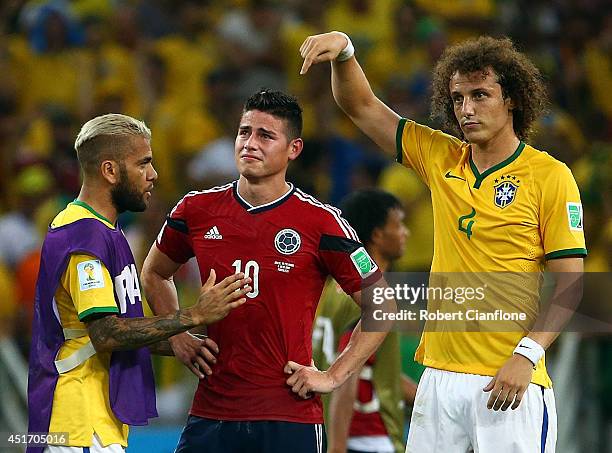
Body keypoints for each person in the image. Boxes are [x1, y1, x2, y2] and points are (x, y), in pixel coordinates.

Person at [299, 33, 586, 452]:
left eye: (481, 95)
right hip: (437, 379)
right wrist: (345, 51)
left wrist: (527, 356)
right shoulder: (441, 156)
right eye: (457, 98)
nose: (467, 109)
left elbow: (572, 283)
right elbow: (360, 106)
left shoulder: (550, 175)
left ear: (513, 100)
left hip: (508, 378)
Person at [141, 90, 391, 453]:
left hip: (289, 416)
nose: (250, 144)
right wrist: (179, 335)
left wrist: (333, 375)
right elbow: (154, 273)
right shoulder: (196, 210)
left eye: (265, 135)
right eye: (244, 132)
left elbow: (382, 303)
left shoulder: (321, 222)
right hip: (212, 413)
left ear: (294, 149)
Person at [27, 113, 251, 453]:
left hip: (95, 421)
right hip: (76, 422)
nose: (153, 174)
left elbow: (121, 329)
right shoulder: (83, 234)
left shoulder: (105, 230)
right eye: (143, 163)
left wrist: (186, 341)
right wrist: (191, 316)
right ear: (110, 171)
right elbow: (106, 333)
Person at [312, 189, 417, 453]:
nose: (406, 233)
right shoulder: (370, 297)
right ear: (378, 236)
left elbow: (377, 370)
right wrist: (336, 448)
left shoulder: (334, 289)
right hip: (367, 435)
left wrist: (430, 400)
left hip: (331, 425)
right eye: (399, 224)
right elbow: (348, 371)